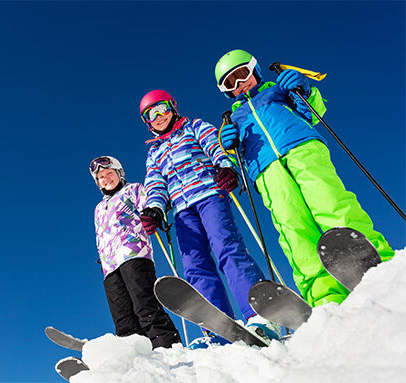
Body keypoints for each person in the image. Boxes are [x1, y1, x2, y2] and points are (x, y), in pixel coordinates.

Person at [214, 49, 394, 307]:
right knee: (292, 225)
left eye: (242, 74)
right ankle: (324, 293)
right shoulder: (235, 118)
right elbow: (234, 162)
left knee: (330, 202)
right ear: (226, 91)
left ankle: (375, 262)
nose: (240, 84)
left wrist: (303, 90)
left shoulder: (277, 91)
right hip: (266, 170)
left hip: (301, 147)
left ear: (254, 70)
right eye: (230, 83)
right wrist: (230, 147)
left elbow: (315, 111)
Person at [137, 90, 280, 348]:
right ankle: (219, 327)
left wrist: (225, 166)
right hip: (181, 210)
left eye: (162, 109)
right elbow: (156, 184)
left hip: (209, 193)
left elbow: (214, 145)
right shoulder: (154, 153)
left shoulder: (194, 126)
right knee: (194, 266)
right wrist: (155, 209)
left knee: (226, 247)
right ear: (147, 122)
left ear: (173, 107)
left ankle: (259, 315)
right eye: (151, 114)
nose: (159, 117)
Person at [90, 155, 180, 349]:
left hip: (134, 254)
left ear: (119, 173)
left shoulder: (134, 189)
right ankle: (136, 357)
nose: (106, 179)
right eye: (101, 177)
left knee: (144, 305)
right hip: (109, 266)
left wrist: (154, 215)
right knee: (122, 317)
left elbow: (151, 206)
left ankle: (167, 347)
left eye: (109, 173)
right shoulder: (99, 209)